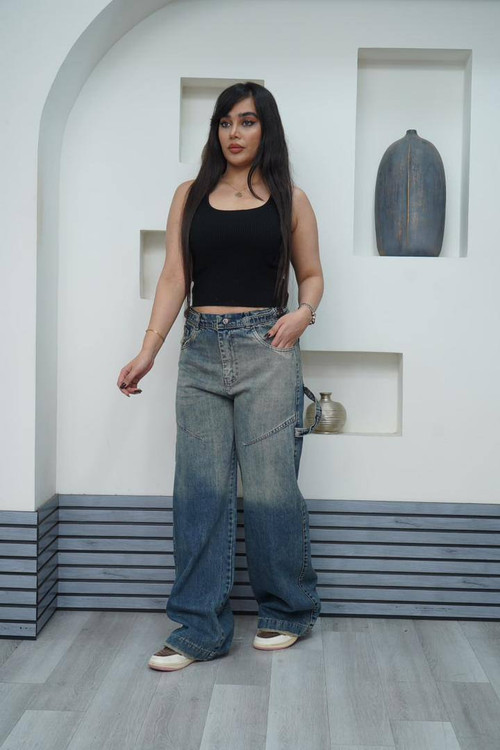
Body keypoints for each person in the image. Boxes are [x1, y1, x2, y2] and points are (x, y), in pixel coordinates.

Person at [117, 82, 324, 672]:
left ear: (266, 129)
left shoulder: (291, 200)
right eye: (226, 122)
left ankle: (287, 611)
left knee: (271, 489)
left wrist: (302, 315)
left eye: (248, 121)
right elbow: (174, 277)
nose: (235, 133)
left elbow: (312, 274)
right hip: (200, 350)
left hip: (267, 349)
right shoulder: (189, 196)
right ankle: (199, 628)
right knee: (199, 492)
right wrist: (148, 350)